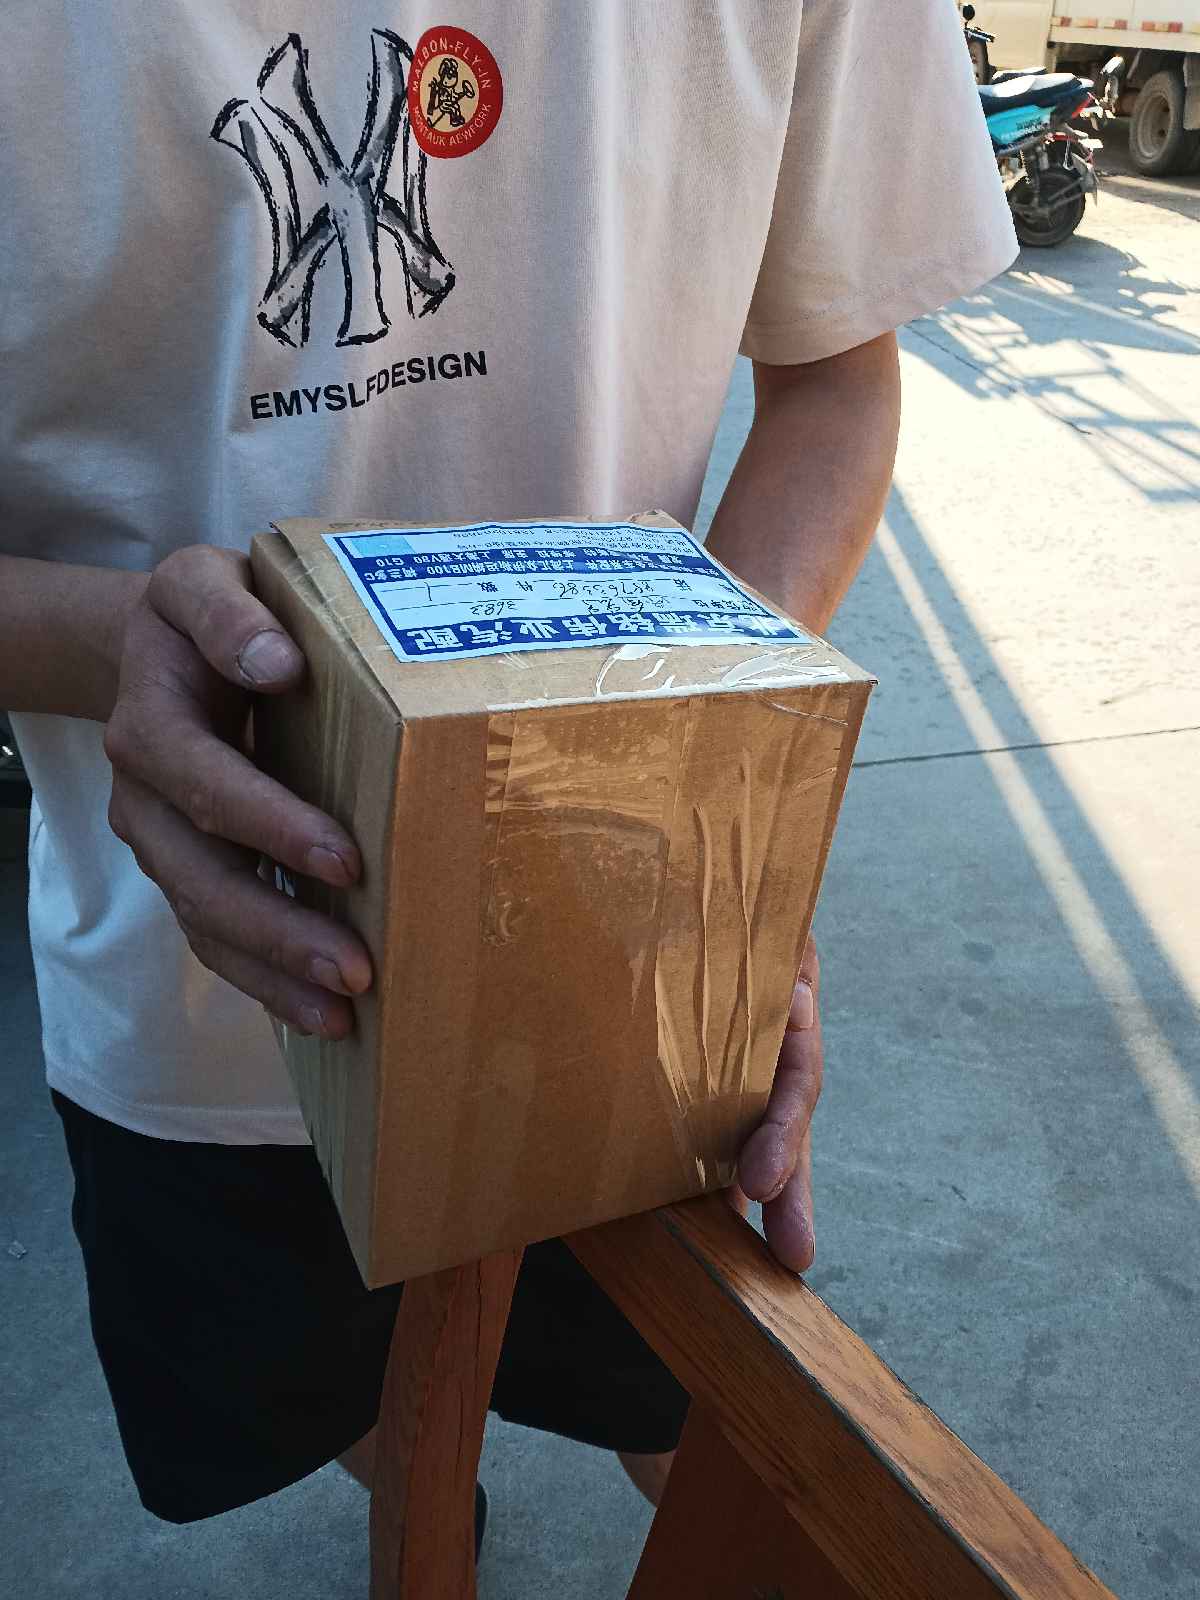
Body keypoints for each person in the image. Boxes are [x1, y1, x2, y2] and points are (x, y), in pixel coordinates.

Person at [0, 0, 1017, 1546]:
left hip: (618, 970)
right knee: (334, 1403)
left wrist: (718, 780)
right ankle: (425, 1502)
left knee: (690, 1409)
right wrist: (115, 645)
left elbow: (833, 378)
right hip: (191, 1006)